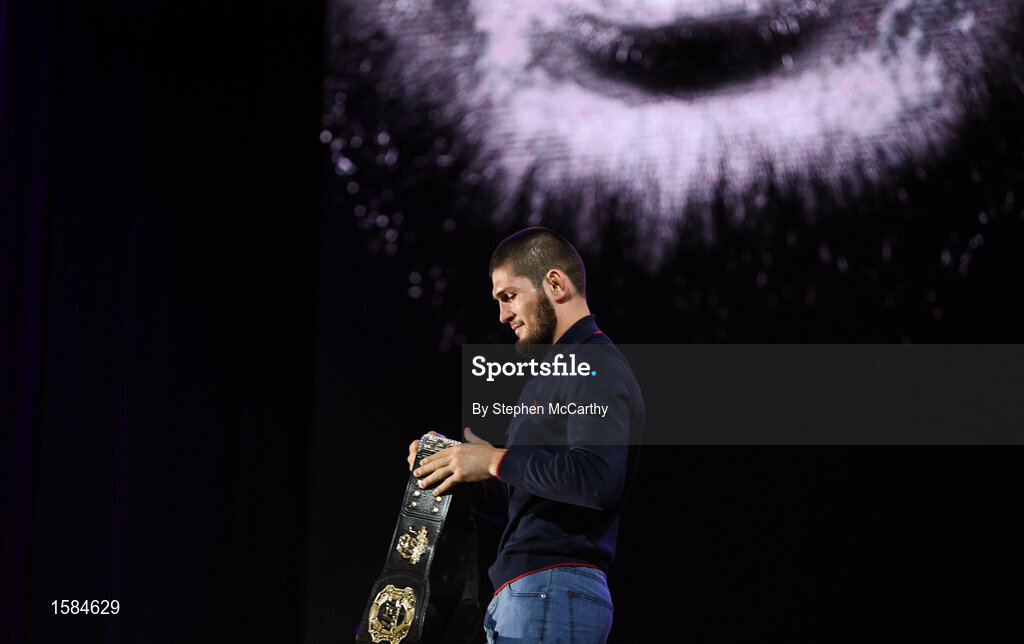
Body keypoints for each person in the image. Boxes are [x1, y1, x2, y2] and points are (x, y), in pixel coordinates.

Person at [406, 228, 645, 643]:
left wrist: (494, 460)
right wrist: (453, 469)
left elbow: (596, 479)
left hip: (550, 590)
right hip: (533, 593)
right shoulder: (557, 371)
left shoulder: (594, 365)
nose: (503, 315)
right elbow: (527, 500)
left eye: (509, 296)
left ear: (555, 284)